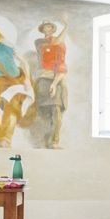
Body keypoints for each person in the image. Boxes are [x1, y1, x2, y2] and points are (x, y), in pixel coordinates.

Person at [34, 21, 68, 149]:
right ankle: (43, 140)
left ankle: (54, 141)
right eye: (45, 27)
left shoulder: (61, 45)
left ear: (53, 29)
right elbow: (53, 44)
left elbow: (61, 63)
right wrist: (66, 28)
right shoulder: (39, 42)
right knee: (42, 111)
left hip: (57, 78)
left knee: (56, 110)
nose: (47, 29)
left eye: (49, 27)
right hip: (44, 77)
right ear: (42, 30)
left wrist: (55, 83)